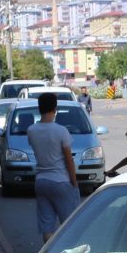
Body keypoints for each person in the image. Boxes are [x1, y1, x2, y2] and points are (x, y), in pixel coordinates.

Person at [27, 92, 81, 242]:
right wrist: (74, 182)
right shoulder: (61, 131)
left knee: (47, 226)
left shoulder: (31, 130)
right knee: (69, 224)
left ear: (39, 109)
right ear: (55, 109)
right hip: (61, 181)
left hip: (41, 181)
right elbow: (69, 159)